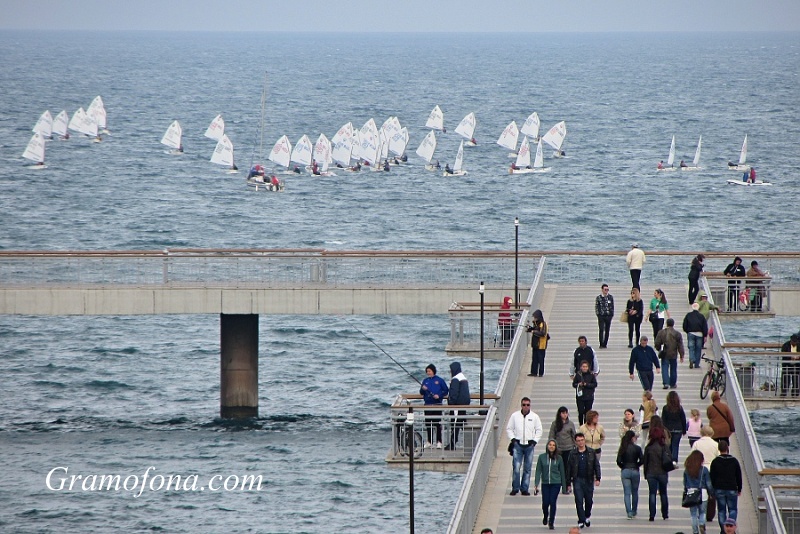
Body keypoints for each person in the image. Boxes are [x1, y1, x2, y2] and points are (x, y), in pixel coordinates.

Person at [506, 397, 543, 496]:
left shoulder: (534, 417)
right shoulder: (515, 416)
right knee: (516, 467)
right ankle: (515, 487)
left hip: (529, 445)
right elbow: (509, 428)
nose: (526, 407)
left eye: (528, 405)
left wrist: (534, 441)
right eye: (524, 405)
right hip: (518, 444)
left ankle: (524, 488)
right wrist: (513, 439)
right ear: (521, 405)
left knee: (527, 468)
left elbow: (539, 430)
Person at [565, 433, 601, 529]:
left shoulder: (591, 452)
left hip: (589, 479)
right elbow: (569, 468)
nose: (580, 442)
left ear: (584, 440)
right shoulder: (573, 453)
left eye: (582, 440)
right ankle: (581, 519)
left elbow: (596, 465)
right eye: (578, 441)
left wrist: (598, 478)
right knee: (579, 500)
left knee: (589, 500)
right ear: (576, 442)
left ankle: (586, 516)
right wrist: (568, 483)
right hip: (577, 479)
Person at [534, 439, 568, 529]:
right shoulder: (542, 457)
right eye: (550, 445)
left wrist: (564, 487)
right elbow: (538, 470)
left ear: (556, 447)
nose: (551, 446)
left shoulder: (559, 458)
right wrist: (536, 483)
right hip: (545, 483)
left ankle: (551, 521)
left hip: (556, 483)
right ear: (547, 446)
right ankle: (546, 515)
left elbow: (562, 472)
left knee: (552, 502)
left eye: (553, 445)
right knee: (545, 503)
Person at [710, 440, 742, 531]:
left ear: (719, 449)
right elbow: (738, 476)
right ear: (727, 448)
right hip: (732, 488)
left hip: (719, 488)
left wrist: (713, 489)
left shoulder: (715, 461)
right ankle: (730, 527)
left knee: (721, 510)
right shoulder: (734, 461)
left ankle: (723, 530)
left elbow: (712, 476)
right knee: (733, 509)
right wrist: (739, 488)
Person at [691, 425, 720, 523]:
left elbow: (692, 457)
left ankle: (701, 511)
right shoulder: (715, 444)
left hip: (700, 469)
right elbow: (719, 458)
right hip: (712, 469)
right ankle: (710, 515)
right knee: (711, 492)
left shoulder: (697, 444)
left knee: (700, 490)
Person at [683, 449, 714, 534]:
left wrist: (686, 491)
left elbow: (685, 483)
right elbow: (708, 483)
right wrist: (711, 493)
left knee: (693, 514)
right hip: (702, 493)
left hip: (691, 492)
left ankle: (695, 531)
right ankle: (701, 524)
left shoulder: (687, 470)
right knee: (702, 512)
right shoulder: (704, 470)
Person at [643, 426, 670, 521]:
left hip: (651, 473)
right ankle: (665, 514)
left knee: (652, 494)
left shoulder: (648, 448)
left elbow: (645, 462)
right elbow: (669, 459)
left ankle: (652, 515)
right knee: (663, 493)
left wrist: (645, 474)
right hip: (662, 473)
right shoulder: (664, 447)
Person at [419, 364, 448, 448]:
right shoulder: (425, 380)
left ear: (433, 371)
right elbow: (421, 392)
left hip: (437, 404)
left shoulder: (440, 380)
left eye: (429, 371)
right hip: (427, 405)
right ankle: (429, 441)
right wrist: (422, 389)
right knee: (428, 423)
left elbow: (445, 390)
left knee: (437, 424)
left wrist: (439, 395)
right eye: (427, 371)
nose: (428, 373)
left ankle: (439, 441)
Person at [616, 429, 643, 519]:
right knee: (635, 492)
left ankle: (629, 512)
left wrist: (623, 466)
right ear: (632, 438)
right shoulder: (637, 448)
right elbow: (642, 460)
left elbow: (618, 461)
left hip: (625, 470)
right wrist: (637, 465)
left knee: (627, 493)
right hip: (635, 470)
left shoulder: (622, 448)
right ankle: (634, 510)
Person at [655, 318, 685, 389]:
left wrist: (659, 349)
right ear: (673, 324)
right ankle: (673, 383)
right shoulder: (677, 334)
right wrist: (681, 355)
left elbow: (657, 342)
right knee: (673, 369)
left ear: (666, 324)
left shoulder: (661, 332)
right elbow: (680, 345)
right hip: (673, 353)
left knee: (664, 368)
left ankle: (666, 383)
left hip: (665, 353)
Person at [446, 361, 470, 450]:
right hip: (464, 405)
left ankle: (452, 444)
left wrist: (451, 403)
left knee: (455, 424)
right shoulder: (463, 378)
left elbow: (454, 393)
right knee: (461, 423)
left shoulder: (455, 379)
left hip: (457, 405)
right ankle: (467, 442)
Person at [662, 390, 687, 463]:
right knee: (675, 445)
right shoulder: (679, 408)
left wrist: (663, 429)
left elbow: (663, 420)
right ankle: (674, 460)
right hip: (678, 429)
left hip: (668, 429)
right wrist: (684, 430)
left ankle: (669, 458)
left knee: (669, 445)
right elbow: (683, 419)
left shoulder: (665, 408)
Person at [683, 303, 709, 369]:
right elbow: (705, 327)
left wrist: (688, 331)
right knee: (698, 349)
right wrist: (705, 335)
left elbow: (684, 325)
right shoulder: (701, 316)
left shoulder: (688, 315)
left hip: (691, 333)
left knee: (691, 348)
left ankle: (691, 359)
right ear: (698, 308)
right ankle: (697, 364)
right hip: (699, 334)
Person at [572, 361, 597, 425]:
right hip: (580, 396)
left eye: (586, 367)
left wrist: (587, 384)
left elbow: (595, 384)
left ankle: (586, 425)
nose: (584, 368)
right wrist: (578, 384)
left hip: (589, 397)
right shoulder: (578, 375)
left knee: (587, 413)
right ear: (581, 367)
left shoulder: (591, 375)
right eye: (583, 367)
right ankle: (581, 424)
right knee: (580, 412)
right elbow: (574, 384)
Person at [527, 309, 549, 377]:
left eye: (535, 317)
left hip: (541, 345)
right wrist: (531, 329)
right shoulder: (536, 324)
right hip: (535, 345)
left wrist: (534, 331)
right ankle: (534, 372)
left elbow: (543, 333)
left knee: (541, 359)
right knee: (534, 359)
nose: (534, 318)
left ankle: (541, 373)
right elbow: (535, 329)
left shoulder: (543, 324)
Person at [595, 284, 614, 349]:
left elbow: (612, 306)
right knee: (601, 329)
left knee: (607, 330)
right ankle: (601, 343)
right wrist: (598, 315)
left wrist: (611, 315)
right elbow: (597, 307)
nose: (606, 291)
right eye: (605, 289)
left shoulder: (610, 297)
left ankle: (605, 343)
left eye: (607, 290)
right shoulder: (599, 298)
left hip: (608, 316)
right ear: (602, 290)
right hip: (601, 316)